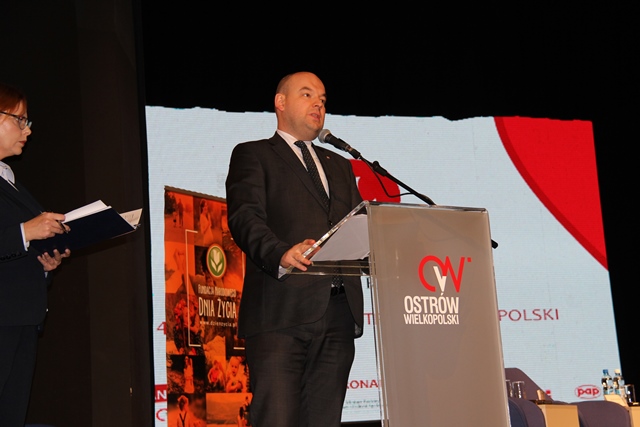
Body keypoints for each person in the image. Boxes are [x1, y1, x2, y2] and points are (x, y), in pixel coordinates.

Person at [225, 71, 364, 427]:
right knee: (277, 418)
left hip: (338, 314)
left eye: (323, 99)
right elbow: (245, 218)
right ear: (280, 102)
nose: (319, 104)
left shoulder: (340, 165)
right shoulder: (254, 154)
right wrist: (280, 252)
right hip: (280, 313)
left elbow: (358, 225)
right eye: (307, 94)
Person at [0, 82, 71, 426]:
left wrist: (44, 265)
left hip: (22, 321)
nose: (27, 130)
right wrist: (27, 232)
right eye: (20, 120)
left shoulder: (10, 180)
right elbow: (16, 237)